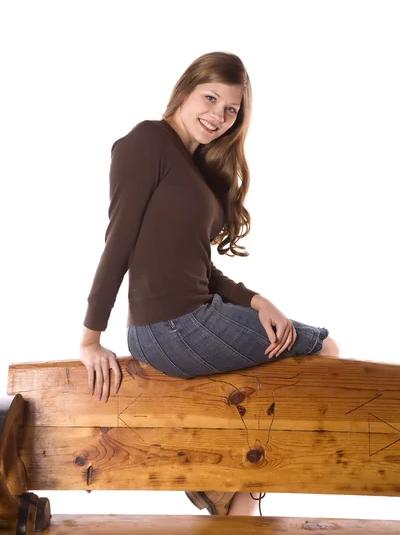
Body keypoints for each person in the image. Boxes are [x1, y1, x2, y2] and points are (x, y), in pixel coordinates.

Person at [79, 51, 340, 517]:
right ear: (185, 90)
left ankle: (231, 497)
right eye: (211, 97)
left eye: (231, 110)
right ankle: (232, 495)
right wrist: (90, 339)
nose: (217, 116)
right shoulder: (147, 142)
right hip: (173, 326)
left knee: (272, 373)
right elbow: (118, 243)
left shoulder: (198, 171)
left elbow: (203, 271)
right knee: (323, 350)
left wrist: (260, 301)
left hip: (188, 321)